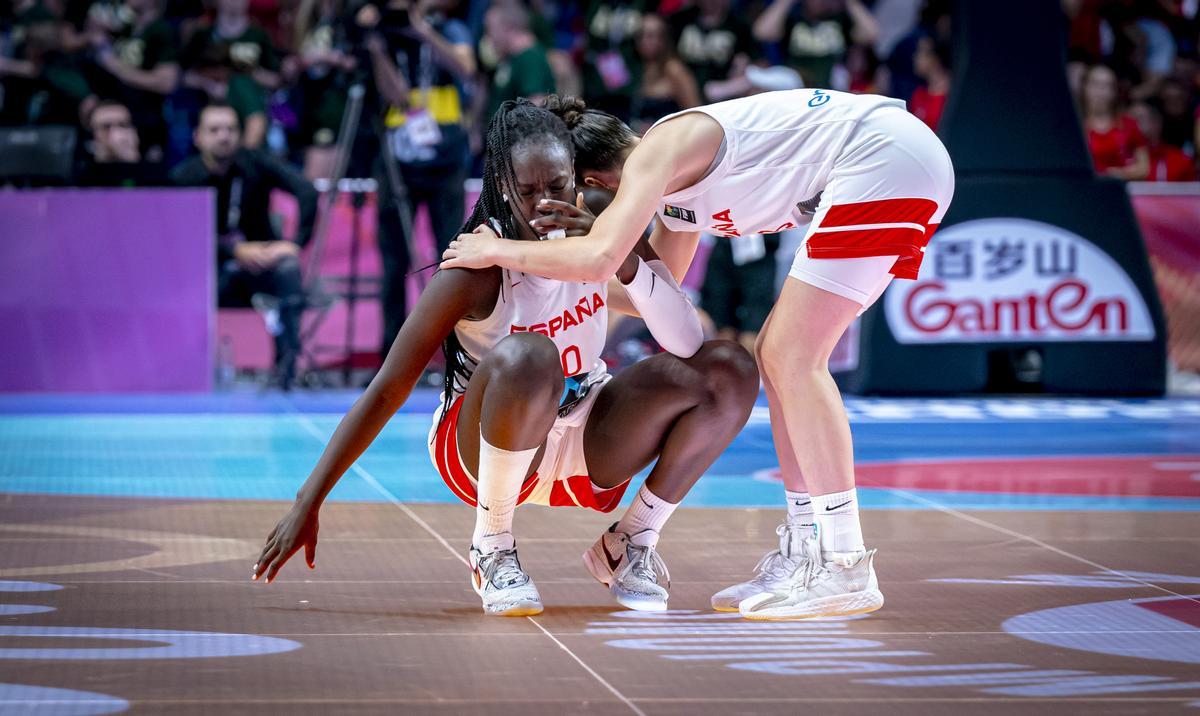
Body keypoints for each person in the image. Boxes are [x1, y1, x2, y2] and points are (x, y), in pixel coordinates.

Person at [442, 89, 955, 621]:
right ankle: (808, 552)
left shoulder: (656, 154)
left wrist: (495, 250)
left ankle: (843, 561)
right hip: (894, 158)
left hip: (883, 157)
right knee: (779, 357)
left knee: (792, 356)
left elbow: (598, 256)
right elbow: (658, 302)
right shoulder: (677, 198)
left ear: (591, 185)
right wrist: (570, 273)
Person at [251, 99, 759, 616]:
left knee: (729, 367)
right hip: (483, 442)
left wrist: (619, 256)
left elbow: (685, 339)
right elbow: (388, 386)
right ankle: (491, 546)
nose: (543, 203)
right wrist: (308, 500)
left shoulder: (602, 233)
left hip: (586, 433)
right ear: (501, 184)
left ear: (579, 181)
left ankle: (632, 540)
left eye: (557, 186)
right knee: (531, 356)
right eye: (527, 189)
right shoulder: (475, 264)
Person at [357, 0, 475, 358]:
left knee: (451, 257)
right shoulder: (385, 38)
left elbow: (465, 68)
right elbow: (394, 95)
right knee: (393, 262)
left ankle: (458, 351)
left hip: (445, 158)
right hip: (397, 161)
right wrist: (377, 49)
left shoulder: (447, 29)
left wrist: (423, 32)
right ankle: (392, 354)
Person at [171, 103, 318, 389]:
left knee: (287, 268)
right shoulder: (183, 178)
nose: (224, 136)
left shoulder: (255, 163)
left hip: (260, 263)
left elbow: (306, 190)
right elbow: (180, 239)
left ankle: (286, 370)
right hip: (207, 271)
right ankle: (184, 369)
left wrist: (293, 244)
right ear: (198, 137)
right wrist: (234, 251)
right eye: (214, 130)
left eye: (230, 129)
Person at [82, 0, 179, 161]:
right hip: (114, 118)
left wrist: (114, 65)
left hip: (147, 124)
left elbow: (167, 83)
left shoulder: (162, 30)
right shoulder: (125, 29)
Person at [179, 0, 282, 148]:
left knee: (241, 82)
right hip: (209, 103)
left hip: (250, 100)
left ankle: (249, 145)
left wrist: (250, 74)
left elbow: (276, 79)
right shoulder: (203, 35)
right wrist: (207, 84)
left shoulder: (258, 35)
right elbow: (181, 76)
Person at [753, 0, 879, 90]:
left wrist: (851, 2)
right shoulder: (793, 18)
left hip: (832, 84)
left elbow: (871, 35)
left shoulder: (840, 20)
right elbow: (763, 32)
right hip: (794, 83)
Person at [628, 13, 700, 134]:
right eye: (641, 36)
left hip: (671, 139)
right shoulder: (639, 68)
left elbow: (696, 114)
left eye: (651, 36)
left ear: (663, 39)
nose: (645, 41)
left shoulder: (674, 69)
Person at [1079, 63, 1150, 180]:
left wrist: (1121, 174)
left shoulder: (1129, 124)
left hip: (1120, 191)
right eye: (1096, 84)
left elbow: (1144, 168)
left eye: (1107, 86)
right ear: (1085, 88)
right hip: (1084, 191)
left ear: (1114, 91)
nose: (1101, 92)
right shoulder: (1075, 125)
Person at [76, 99, 169, 186]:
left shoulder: (155, 173)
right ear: (92, 134)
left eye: (123, 125)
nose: (116, 133)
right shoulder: (80, 174)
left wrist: (132, 161)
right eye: (106, 127)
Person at [1131, 101, 1197, 182]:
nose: (1130, 125)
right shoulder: (1118, 161)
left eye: (1137, 119)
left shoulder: (1180, 161)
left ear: (1156, 123)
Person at [909, 34, 949, 130]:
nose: (914, 57)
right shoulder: (918, 94)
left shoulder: (951, 95)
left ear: (934, 59)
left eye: (920, 52)